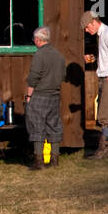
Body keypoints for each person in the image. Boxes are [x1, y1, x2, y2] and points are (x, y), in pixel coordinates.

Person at [83, 12, 108, 159]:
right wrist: (93, 58)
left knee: (103, 115)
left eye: (87, 27)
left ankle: (104, 148)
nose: (87, 31)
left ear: (94, 22)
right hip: (107, 77)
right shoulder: (102, 35)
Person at [24, 26, 66, 169]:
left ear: (38, 39)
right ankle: (55, 160)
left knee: (37, 127)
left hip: (40, 95)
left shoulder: (39, 55)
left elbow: (33, 77)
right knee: (54, 126)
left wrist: (29, 96)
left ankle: (39, 161)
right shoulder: (59, 55)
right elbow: (63, 76)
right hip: (54, 95)